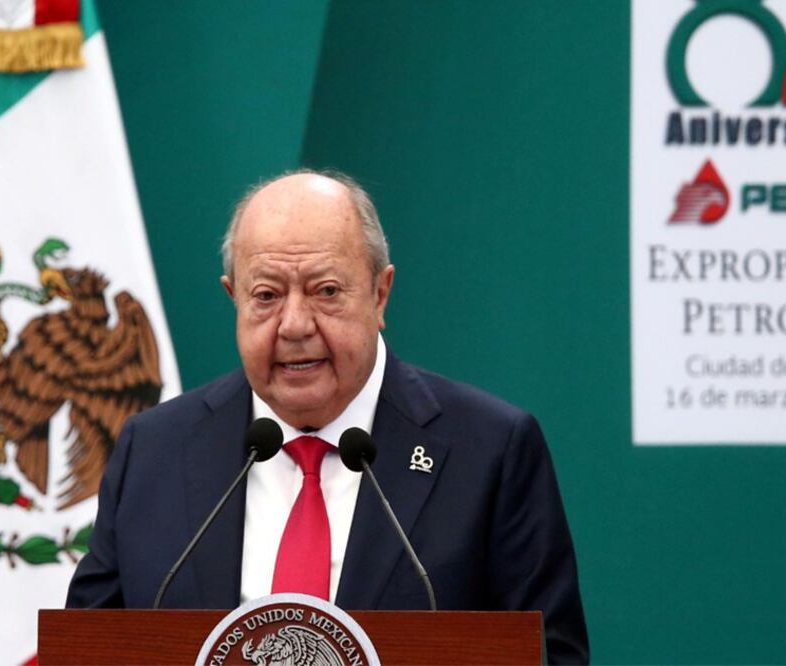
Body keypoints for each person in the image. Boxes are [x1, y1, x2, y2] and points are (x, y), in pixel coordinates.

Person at [66, 170, 589, 663]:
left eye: (326, 292)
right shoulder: (154, 448)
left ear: (380, 293)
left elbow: (548, 655)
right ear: (234, 299)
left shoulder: (489, 450)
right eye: (266, 296)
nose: (294, 325)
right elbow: (88, 652)